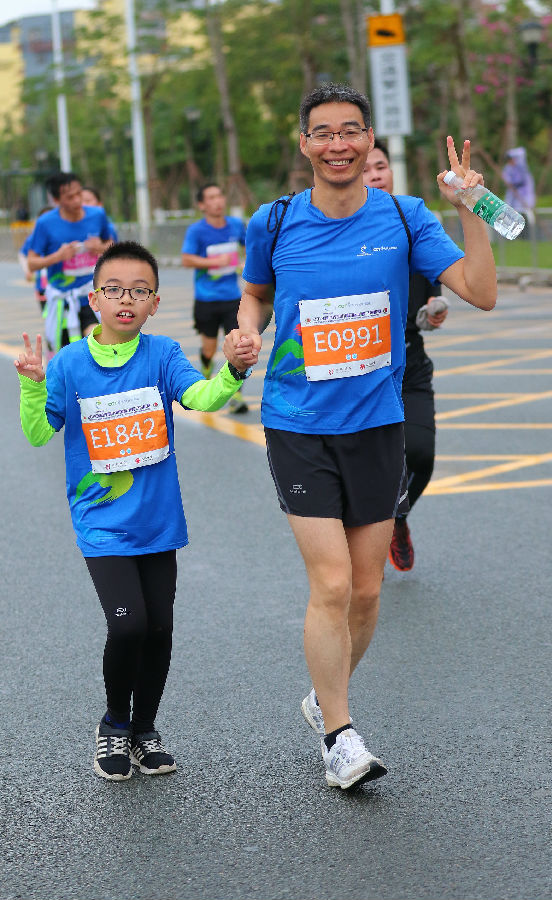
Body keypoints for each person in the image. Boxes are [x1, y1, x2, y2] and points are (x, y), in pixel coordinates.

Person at [230, 83, 497, 790]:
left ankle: (326, 695)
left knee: (368, 591)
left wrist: (471, 210)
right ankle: (340, 737)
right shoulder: (273, 221)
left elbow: (480, 290)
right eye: (323, 133)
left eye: (350, 131)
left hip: (378, 423)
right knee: (332, 581)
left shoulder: (406, 217)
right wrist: (247, 332)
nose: (338, 144)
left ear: (370, 140)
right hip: (297, 422)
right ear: (304, 144)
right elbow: (254, 292)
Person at [15, 240, 256, 782]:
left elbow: (202, 398)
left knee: (160, 630)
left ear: (154, 303)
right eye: (114, 289)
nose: (126, 299)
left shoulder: (163, 354)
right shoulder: (70, 363)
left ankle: (145, 730)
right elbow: (38, 433)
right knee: (129, 627)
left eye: (139, 291)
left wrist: (234, 370)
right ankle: (114, 724)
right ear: (94, 299)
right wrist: (32, 386)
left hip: (158, 521)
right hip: (101, 522)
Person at [363, 140, 448, 572]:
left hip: (410, 361)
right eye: (366, 168)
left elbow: (436, 285)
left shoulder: (413, 220)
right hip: (361, 367)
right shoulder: (340, 232)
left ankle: (397, 517)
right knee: (367, 465)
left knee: (421, 453)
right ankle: (368, 533)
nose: (375, 173)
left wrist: (434, 308)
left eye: (380, 165)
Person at [27, 172, 114, 355]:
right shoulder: (45, 223)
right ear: (57, 200)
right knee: (68, 354)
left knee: (99, 343)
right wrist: (58, 256)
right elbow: (32, 263)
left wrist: (99, 247)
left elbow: (112, 246)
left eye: (79, 193)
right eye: (70, 197)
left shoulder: (97, 215)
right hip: (63, 300)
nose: (77, 200)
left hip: (92, 294)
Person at [181, 183, 248, 414]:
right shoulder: (196, 231)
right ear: (202, 205)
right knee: (209, 349)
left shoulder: (235, 225)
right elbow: (187, 259)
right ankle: (207, 372)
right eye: (211, 197)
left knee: (238, 346)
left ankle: (236, 395)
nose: (217, 201)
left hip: (233, 298)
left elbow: (251, 246)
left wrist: (245, 264)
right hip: (206, 299)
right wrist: (214, 262)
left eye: (219, 196)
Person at [502, 147, 535, 213]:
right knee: (509, 207)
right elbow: (506, 178)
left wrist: (510, 153)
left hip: (524, 192)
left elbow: (522, 151)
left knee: (524, 209)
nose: (510, 161)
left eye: (511, 159)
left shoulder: (521, 166)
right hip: (513, 191)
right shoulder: (508, 167)